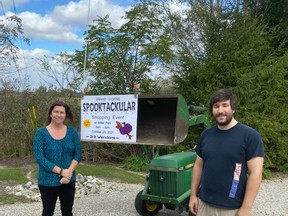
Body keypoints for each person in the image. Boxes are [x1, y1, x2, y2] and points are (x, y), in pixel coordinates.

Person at [189, 89, 264, 216]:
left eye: (225, 105)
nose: (220, 111)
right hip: (204, 205)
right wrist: (192, 195)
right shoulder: (206, 135)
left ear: (233, 109)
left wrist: (246, 207)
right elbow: (198, 166)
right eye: (216, 106)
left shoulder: (250, 136)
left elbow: (255, 174)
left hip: (232, 209)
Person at [33, 101, 82, 216]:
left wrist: (68, 173)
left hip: (68, 180)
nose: (58, 115)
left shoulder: (72, 132)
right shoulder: (41, 133)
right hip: (47, 181)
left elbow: (78, 154)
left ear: (65, 115)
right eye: (56, 111)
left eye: (62, 112)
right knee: (48, 212)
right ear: (50, 114)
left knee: (67, 211)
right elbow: (39, 158)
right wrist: (61, 171)